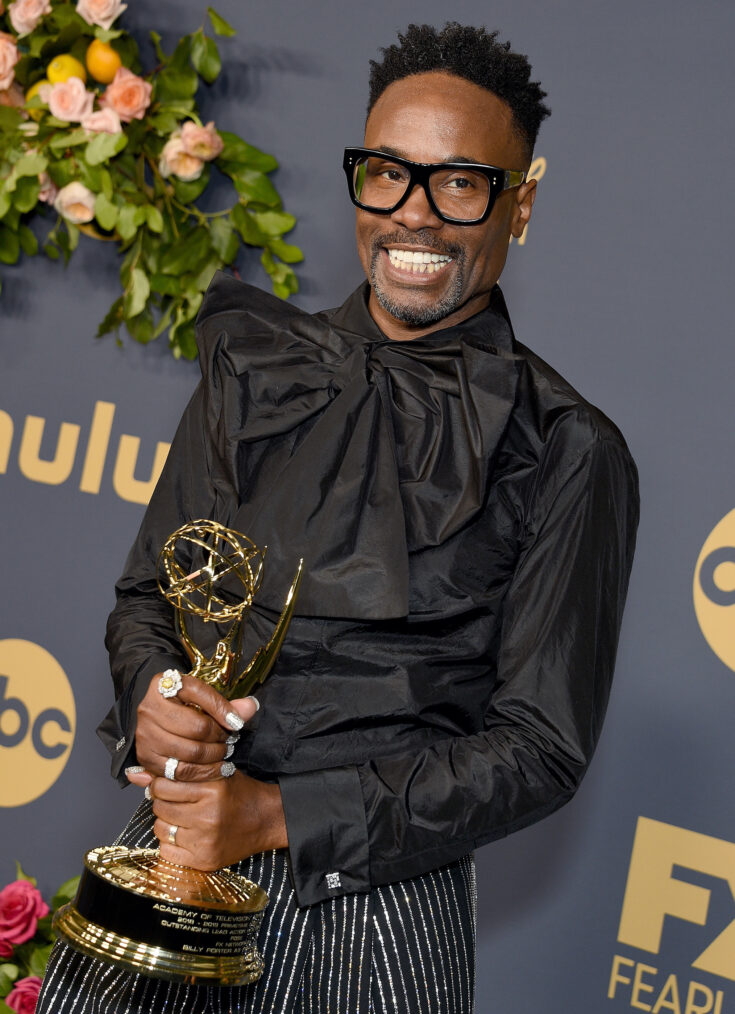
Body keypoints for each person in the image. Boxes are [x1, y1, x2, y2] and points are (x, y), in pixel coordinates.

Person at [37, 22, 639, 1014]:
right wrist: (157, 697)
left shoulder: (569, 448)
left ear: (519, 202)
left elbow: (539, 749)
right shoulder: (258, 363)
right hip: (174, 855)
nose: (413, 217)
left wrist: (274, 816)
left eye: (458, 183)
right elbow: (149, 593)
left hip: (378, 914)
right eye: (386, 174)